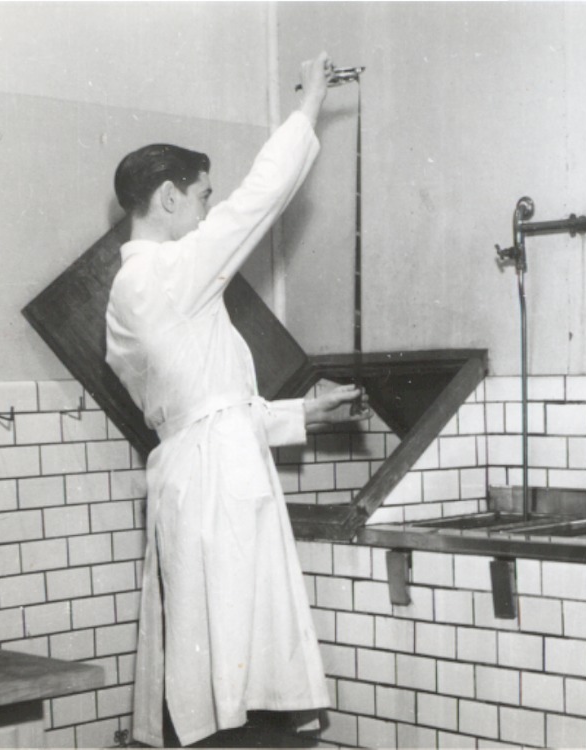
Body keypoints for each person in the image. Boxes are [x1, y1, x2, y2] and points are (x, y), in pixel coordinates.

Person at [105, 52, 366, 747]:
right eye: (201, 196)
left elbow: (204, 404)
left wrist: (302, 412)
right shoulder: (164, 274)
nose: (207, 210)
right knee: (233, 667)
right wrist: (310, 103)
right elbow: (259, 199)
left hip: (197, 474)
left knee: (213, 656)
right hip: (215, 484)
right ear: (168, 197)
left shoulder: (132, 296)